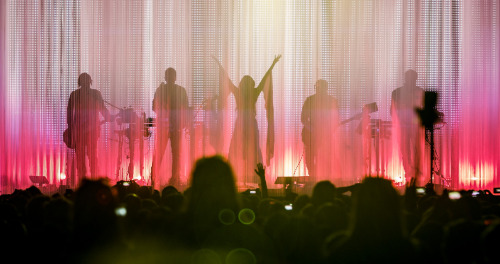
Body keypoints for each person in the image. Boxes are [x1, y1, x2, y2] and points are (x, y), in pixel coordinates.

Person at [213, 55, 281, 185]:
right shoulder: (248, 92)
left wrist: (273, 65)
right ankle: (244, 175)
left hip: (247, 121)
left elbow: (263, 79)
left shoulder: (248, 92)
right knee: (243, 147)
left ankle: (253, 175)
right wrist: (218, 64)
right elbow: (227, 79)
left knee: (249, 147)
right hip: (245, 121)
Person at [67, 73, 112, 179]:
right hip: (82, 130)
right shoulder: (79, 94)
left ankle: (87, 180)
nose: (86, 83)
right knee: (87, 156)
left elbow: (101, 108)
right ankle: (90, 180)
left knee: (86, 156)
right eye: (85, 80)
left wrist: (109, 116)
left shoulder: (81, 94)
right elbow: (69, 112)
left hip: (86, 130)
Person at [151, 68, 189, 188]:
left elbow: (154, 107)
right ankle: (173, 180)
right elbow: (186, 109)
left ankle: (154, 179)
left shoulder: (161, 89)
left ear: (165, 77)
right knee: (175, 154)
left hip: (167, 125)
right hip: (173, 125)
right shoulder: (180, 90)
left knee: (161, 153)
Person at [301, 80, 339, 183]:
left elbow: (336, 120)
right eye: (317, 88)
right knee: (310, 158)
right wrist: (313, 129)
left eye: (320, 88)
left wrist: (327, 131)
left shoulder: (332, 101)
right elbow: (303, 118)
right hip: (310, 135)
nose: (318, 90)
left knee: (327, 158)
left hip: (325, 135)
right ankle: (312, 176)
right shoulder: (310, 100)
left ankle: (326, 179)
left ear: (325, 88)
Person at [391, 70, 425, 183]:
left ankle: (412, 174)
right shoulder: (397, 92)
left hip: (413, 127)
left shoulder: (419, 91)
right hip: (406, 127)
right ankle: (410, 174)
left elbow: (392, 111)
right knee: (407, 150)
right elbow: (393, 110)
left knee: (412, 150)